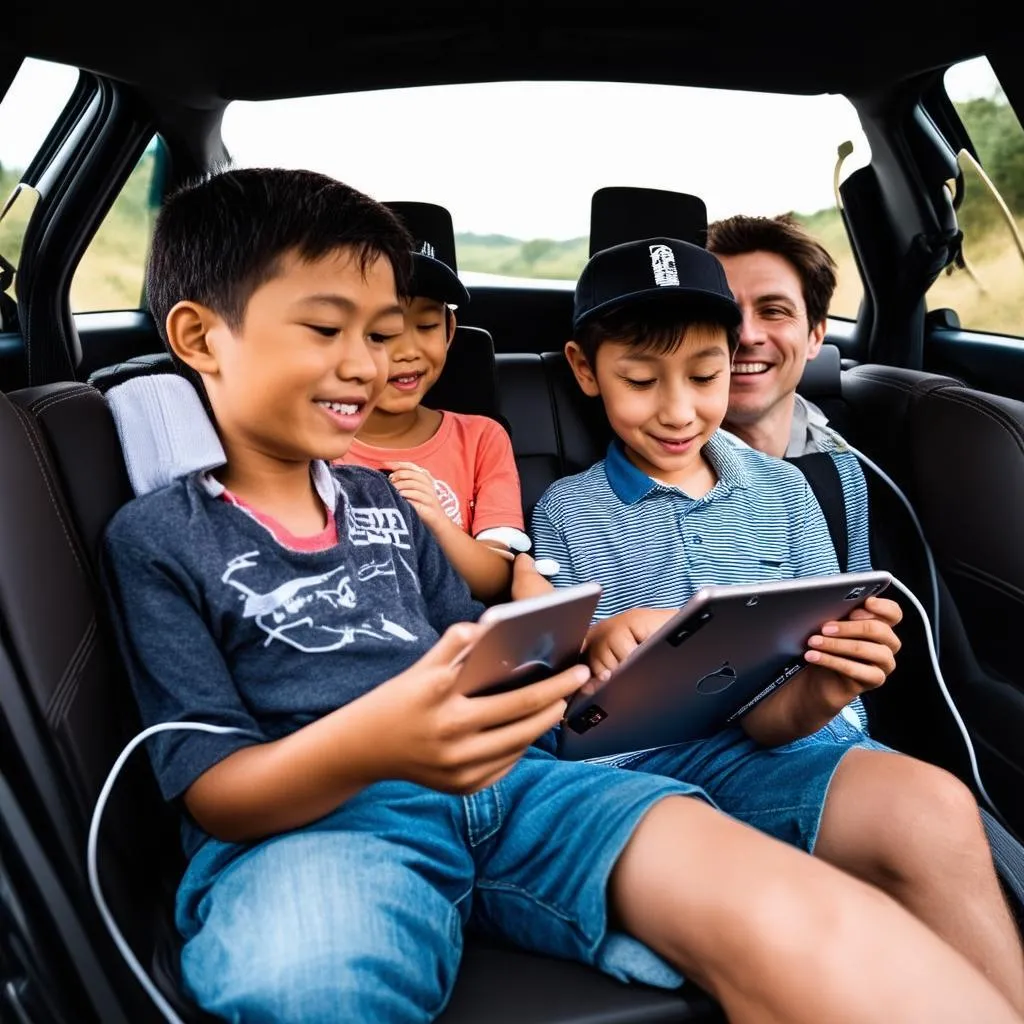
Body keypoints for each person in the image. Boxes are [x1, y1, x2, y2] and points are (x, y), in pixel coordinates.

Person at [95, 169, 1024, 1024]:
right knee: (309, 978)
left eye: (381, 334)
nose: (371, 365)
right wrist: (384, 740)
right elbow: (213, 793)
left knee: (782, 909)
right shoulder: (162, 539)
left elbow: (482, 659)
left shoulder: (386, 504)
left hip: (520, 791)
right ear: (198, 337)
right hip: (327, 826)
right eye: (328, 330)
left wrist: (593, 645)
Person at [531, 235, 1024, 1015]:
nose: (678, 409)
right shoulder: (567, 513)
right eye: (639, 380)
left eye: (704, 375)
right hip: (646, 778)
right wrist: (599, 643)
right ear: (586, 370)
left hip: (787, 747)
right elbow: (566, 714)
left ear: (732, 362)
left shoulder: (788, 493)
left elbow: (776, 721)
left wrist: (829, 682)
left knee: (933, 804)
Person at [709, 212, 1024, 998]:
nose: (745, 334)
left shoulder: (846, 471)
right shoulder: (619, 485)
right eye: (722, 313)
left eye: (774, 311)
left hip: (840, 747)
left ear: (816, 336)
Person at [341, 208, 526, 602]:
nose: (407, 350)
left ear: (449, 331)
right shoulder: (316, 440)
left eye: (426, 326)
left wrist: (436, 524)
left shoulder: (481, 439)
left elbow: (496, 581)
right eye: (384, 331)